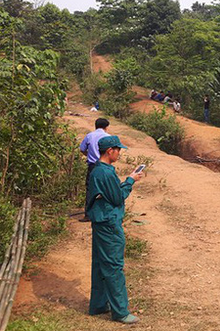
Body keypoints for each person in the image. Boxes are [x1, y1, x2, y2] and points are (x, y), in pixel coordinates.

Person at [87, 135, 143, 324]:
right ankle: (120, 311)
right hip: (109, 224)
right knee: (113, 266)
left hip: (100, 221)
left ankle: (98, 304)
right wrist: (131, 180)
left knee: (100, 264)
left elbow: (111, 194)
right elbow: (118, 197)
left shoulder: (97, 170)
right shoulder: (106, 172)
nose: (119, 154)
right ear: (110, 151)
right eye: (118, 150)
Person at [79, 118, 110, 222]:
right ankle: (104, 213)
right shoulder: (108, 137)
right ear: (106, 127)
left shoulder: (89, 136)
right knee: (105, 188)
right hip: (104, 166)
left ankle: (88, 215)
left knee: (90, 188)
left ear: (96, 126)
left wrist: (89, 155)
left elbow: (82, 149)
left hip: (92, 165)